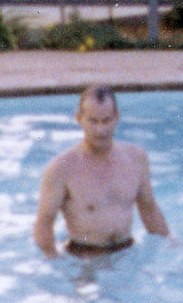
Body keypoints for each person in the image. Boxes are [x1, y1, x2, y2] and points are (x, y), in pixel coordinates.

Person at [34, 85, 170, 257]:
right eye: (93, 121)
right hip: (84, 257)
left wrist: (169, 244)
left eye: (106, 120)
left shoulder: (136, 158)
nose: (100, 130)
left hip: (127, 252)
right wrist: (53, 259)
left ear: (116, 118)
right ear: (79, 119)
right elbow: (44, 222)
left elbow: (149, 208)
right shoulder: (62, 168)